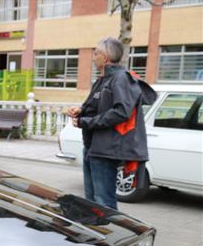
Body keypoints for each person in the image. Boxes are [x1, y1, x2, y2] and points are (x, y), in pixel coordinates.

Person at [67, 37, 156, 210]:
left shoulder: (121, 78)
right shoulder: (103, 79)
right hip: (93, 147)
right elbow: (99, 107)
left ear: (105, 57)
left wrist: (88, 122)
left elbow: (121, 112)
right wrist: (81, 110)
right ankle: (95, 227)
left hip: (106, 150)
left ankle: (109, 228)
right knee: (91, 201)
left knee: (104, 203)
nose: (93, 58)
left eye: (96, 54)